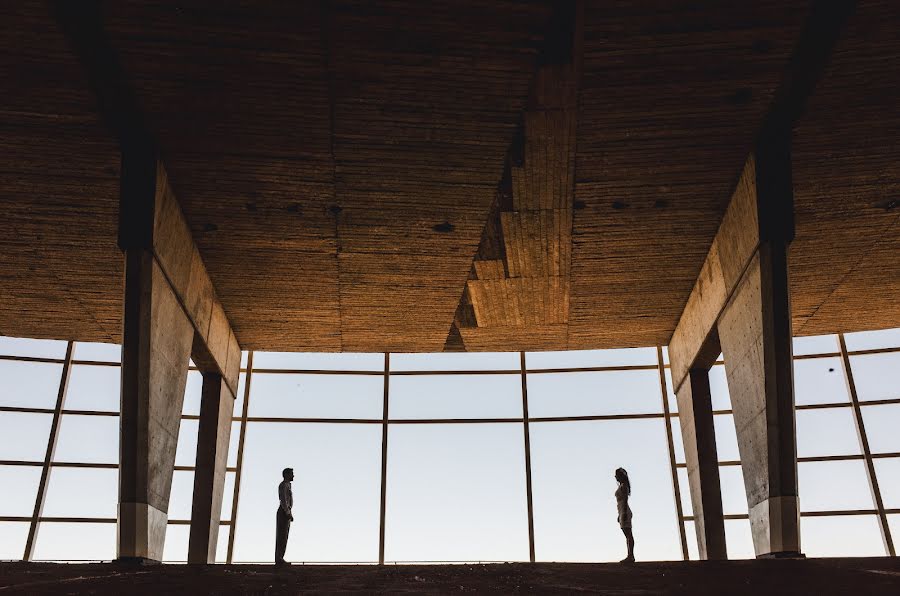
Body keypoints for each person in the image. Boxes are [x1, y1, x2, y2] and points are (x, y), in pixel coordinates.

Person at [615, 467, 634, 563]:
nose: (615, 477)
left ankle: (631, 555)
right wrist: (620, 514)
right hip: (622, 510)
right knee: (627, 534)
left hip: (624, 511)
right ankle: (630, 555)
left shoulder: (624, 486)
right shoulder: (622, 486)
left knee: (628, 534)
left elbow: (625, 500)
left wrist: (625, 513)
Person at [275, 467, 294, 566]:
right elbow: (284, 500)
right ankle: (279, 558)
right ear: (286, 474)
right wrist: (287, 513)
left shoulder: (287, 485)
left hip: (285, 511)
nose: (293, 476)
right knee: (281, 536)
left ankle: (280, 557)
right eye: (291, 473)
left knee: (284, 536)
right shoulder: (284, 485)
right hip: (283, 512)